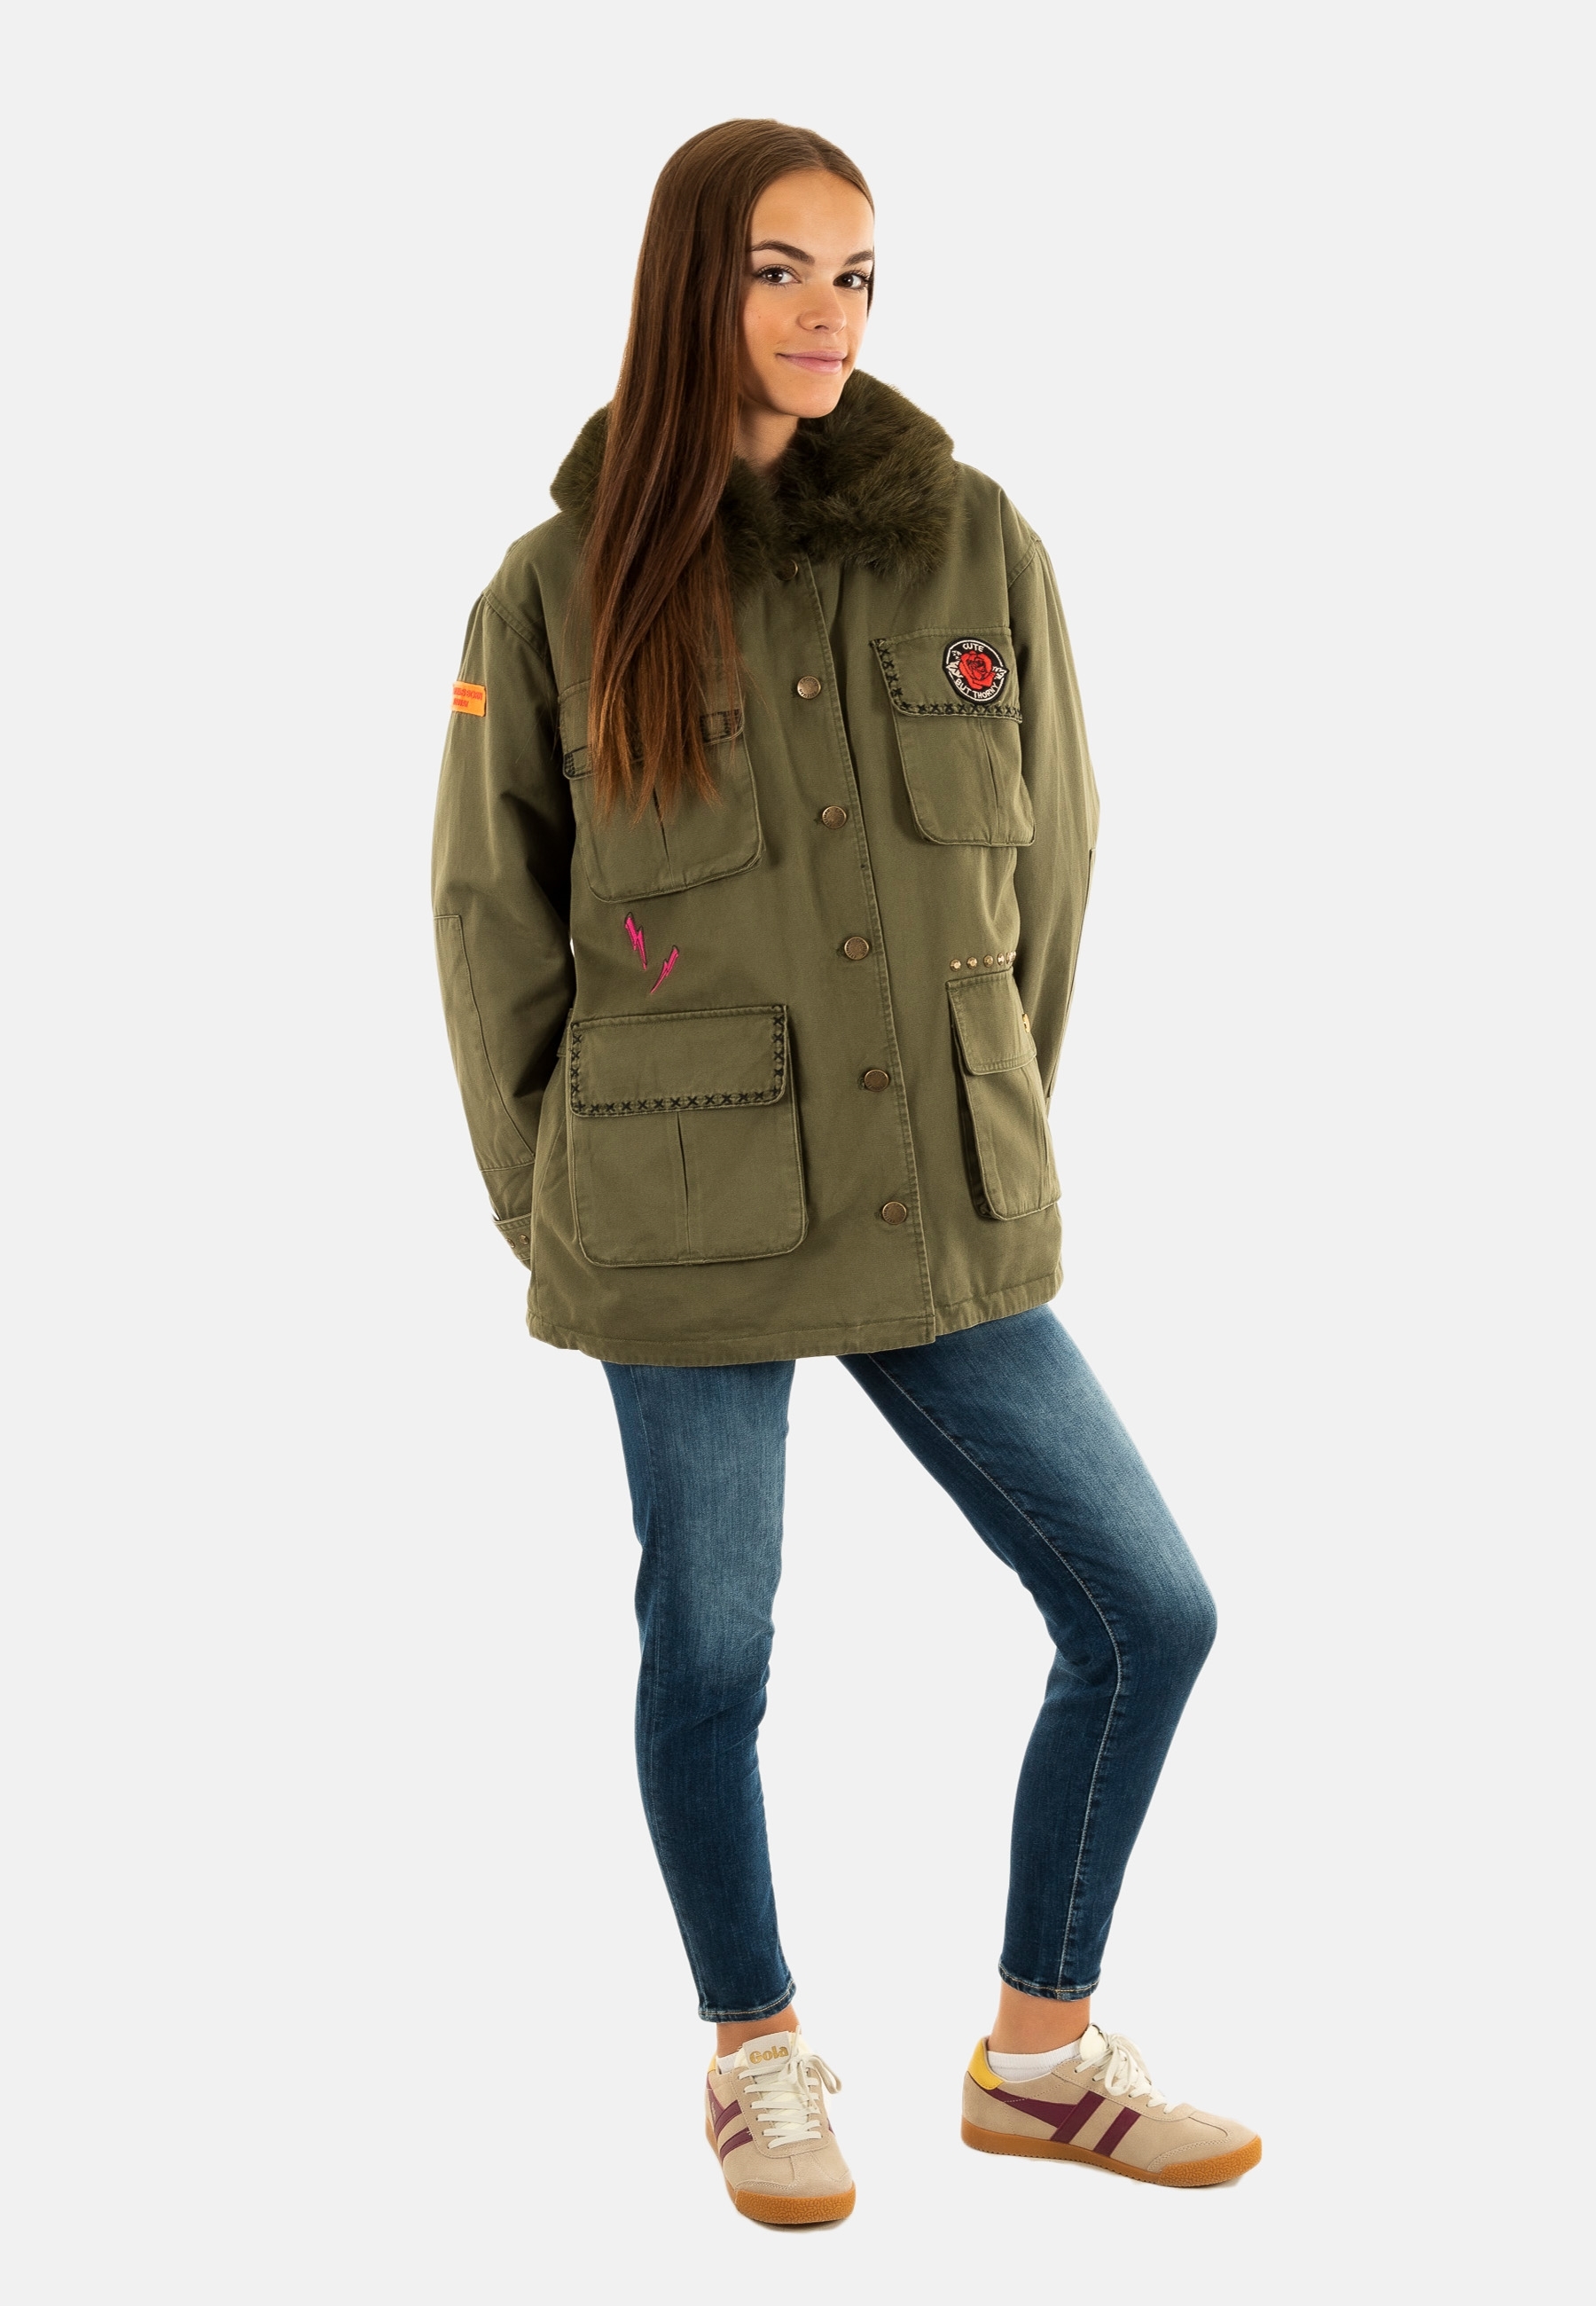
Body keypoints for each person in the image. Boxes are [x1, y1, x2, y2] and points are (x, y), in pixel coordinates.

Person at [432, 118, 1259, 2224]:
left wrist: (989, 1118)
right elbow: (490, 920)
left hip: (934, 1189)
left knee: (1148, 1608)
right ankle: (757, 2053)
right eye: (782, 268)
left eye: (862, 273)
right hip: (674, 1214)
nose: (831, 314)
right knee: (713, 1651)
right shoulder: (553, 588)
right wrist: (559, 1210)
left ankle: (1039, 2058)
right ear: (689, 283)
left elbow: (1053, 868)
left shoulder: (973, 543)